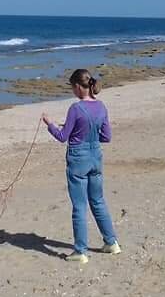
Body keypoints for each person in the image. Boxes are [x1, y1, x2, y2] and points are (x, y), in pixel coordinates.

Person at [42, 69, 121, 264]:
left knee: (79, 206)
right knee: (98, 201)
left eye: (72, 87)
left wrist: (49, 124)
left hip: (79, 158)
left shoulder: (76, 108)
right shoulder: (101, 106)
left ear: (78, 86)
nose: (72, 91)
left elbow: (62, 137)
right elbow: (107, 136)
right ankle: (111, 242)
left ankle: (80, 251)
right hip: (95, 156)